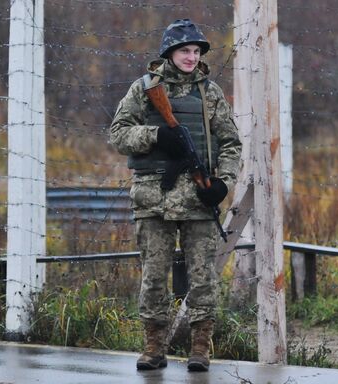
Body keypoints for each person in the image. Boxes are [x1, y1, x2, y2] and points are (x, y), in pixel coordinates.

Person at [109, 19, 241, 372]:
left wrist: (223, 183)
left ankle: (200, 348)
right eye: (185, 50)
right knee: (153, 276)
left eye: (196, 52)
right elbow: (118, 134)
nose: (191, 57)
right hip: (154, 198)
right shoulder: (144, 89)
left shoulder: (209, 93)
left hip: (199, 200)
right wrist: (155, 136)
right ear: (170, 52)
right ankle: (154, 348)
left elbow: (230, 142)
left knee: (203, 278)